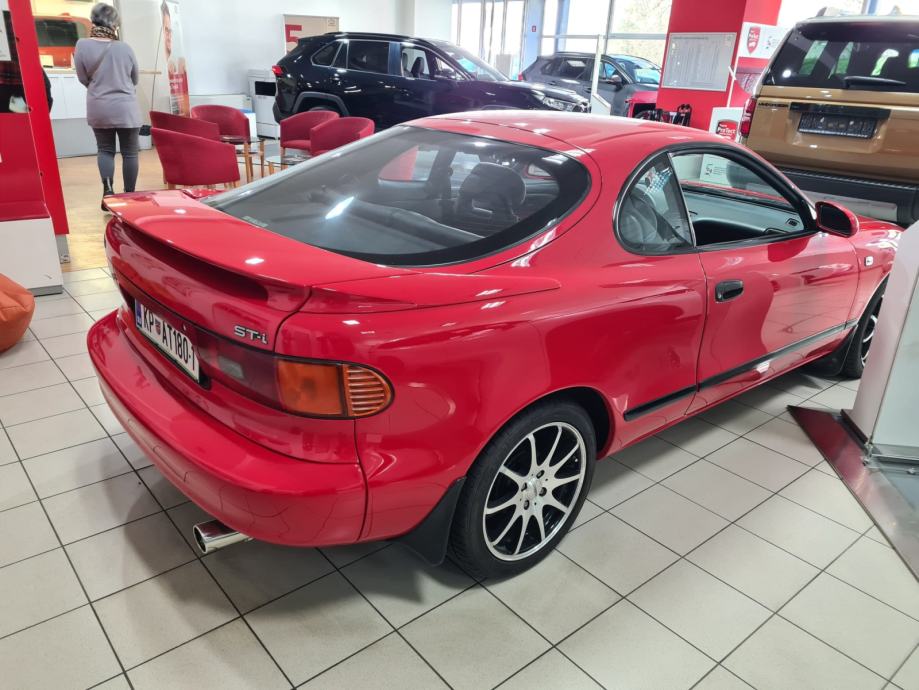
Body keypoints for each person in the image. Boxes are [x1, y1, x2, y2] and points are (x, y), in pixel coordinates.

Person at [74, 3, 141, 209]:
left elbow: (82, 77)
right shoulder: (125, 48)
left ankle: (108, 192)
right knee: (130, 152)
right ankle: (130, 196)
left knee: (105, 150)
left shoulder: (82, 45)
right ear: (115, 23)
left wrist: (98, 87)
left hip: (99, 106)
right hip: (126, 108)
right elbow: (135, 79)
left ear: (93, 19)